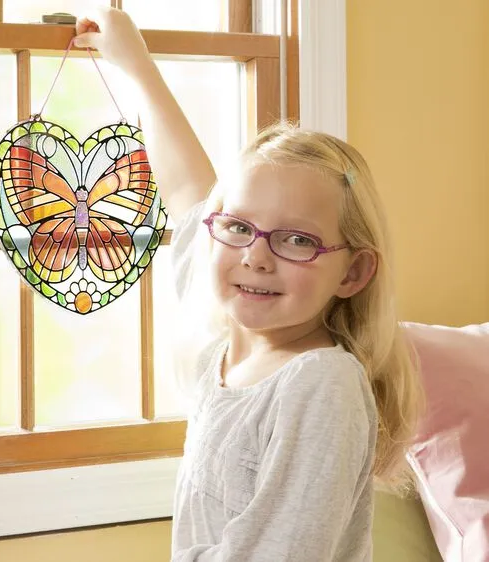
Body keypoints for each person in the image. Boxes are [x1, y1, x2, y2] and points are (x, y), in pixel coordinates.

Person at [75, 9, 424, 561]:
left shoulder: (321, 385)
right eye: (239, 226)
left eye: (297, 241)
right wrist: (136, 66)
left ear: (353, 273)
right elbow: (189, 186)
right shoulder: (222, 337)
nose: (256, 257)